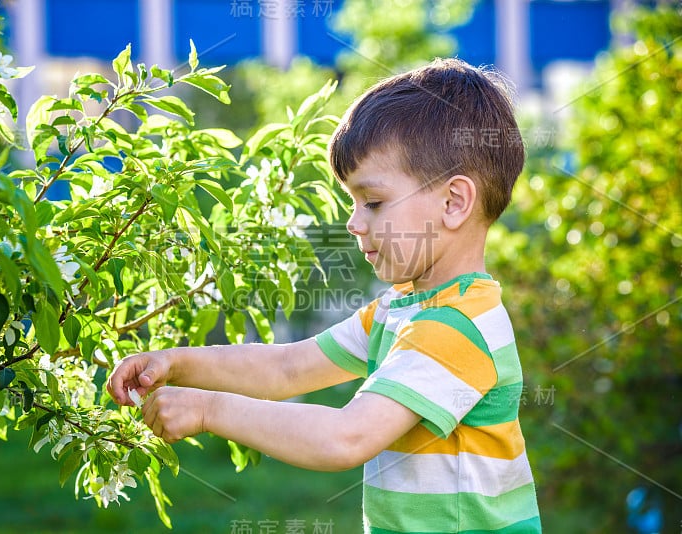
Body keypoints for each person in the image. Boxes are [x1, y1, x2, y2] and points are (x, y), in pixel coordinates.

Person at [107, 58, 542, 533]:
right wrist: (174, 362)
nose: (354, 223)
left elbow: (345, 438)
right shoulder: (400, 309)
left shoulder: (456, 326)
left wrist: (209, 409)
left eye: (372, 202)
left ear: (454, 202)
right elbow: (286, 368)